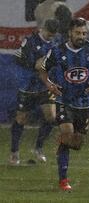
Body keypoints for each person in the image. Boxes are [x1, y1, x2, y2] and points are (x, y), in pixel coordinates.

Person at [36, 17, 89, 191]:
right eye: (78, 33)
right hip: (63, 99)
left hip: (83, 102)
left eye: (84, 33)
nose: (81, 36)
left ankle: (62, 141)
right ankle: (63, 180)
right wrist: (49, 84)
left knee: (77, 143)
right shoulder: (57, 51)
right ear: (69, 33)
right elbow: (42, 69)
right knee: (68, 132)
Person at [9, 19, 59, 165]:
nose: (50, 36)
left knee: (51, 117)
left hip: (44, 86)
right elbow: (18, 59)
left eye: (53, 34)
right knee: (21, 119)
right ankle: (14, 152)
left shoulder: (55, 43)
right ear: (43, 28)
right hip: (28, 86)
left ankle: (38, 148)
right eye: (49, 32)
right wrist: (35, 64)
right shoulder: (30, 41)